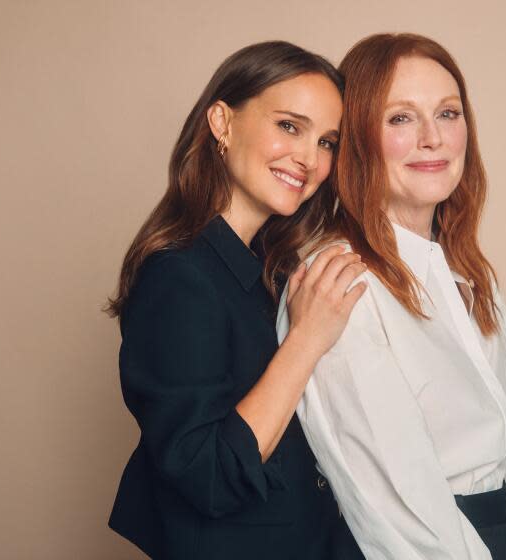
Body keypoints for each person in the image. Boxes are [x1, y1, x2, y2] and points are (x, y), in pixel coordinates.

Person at [276, 33, 506, 559]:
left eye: (449, 113)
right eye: (401, 119)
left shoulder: (470, 272)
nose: (432, 138)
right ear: (359, 139)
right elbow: (395, 496)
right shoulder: (337, 281)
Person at [105, 41, 368, 560]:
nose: (309, 159)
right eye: (289, 126)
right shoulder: (178, 275)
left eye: (327, 142)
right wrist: (307, 340)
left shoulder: (268, 267)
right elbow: (209, 477)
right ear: (222, 122)